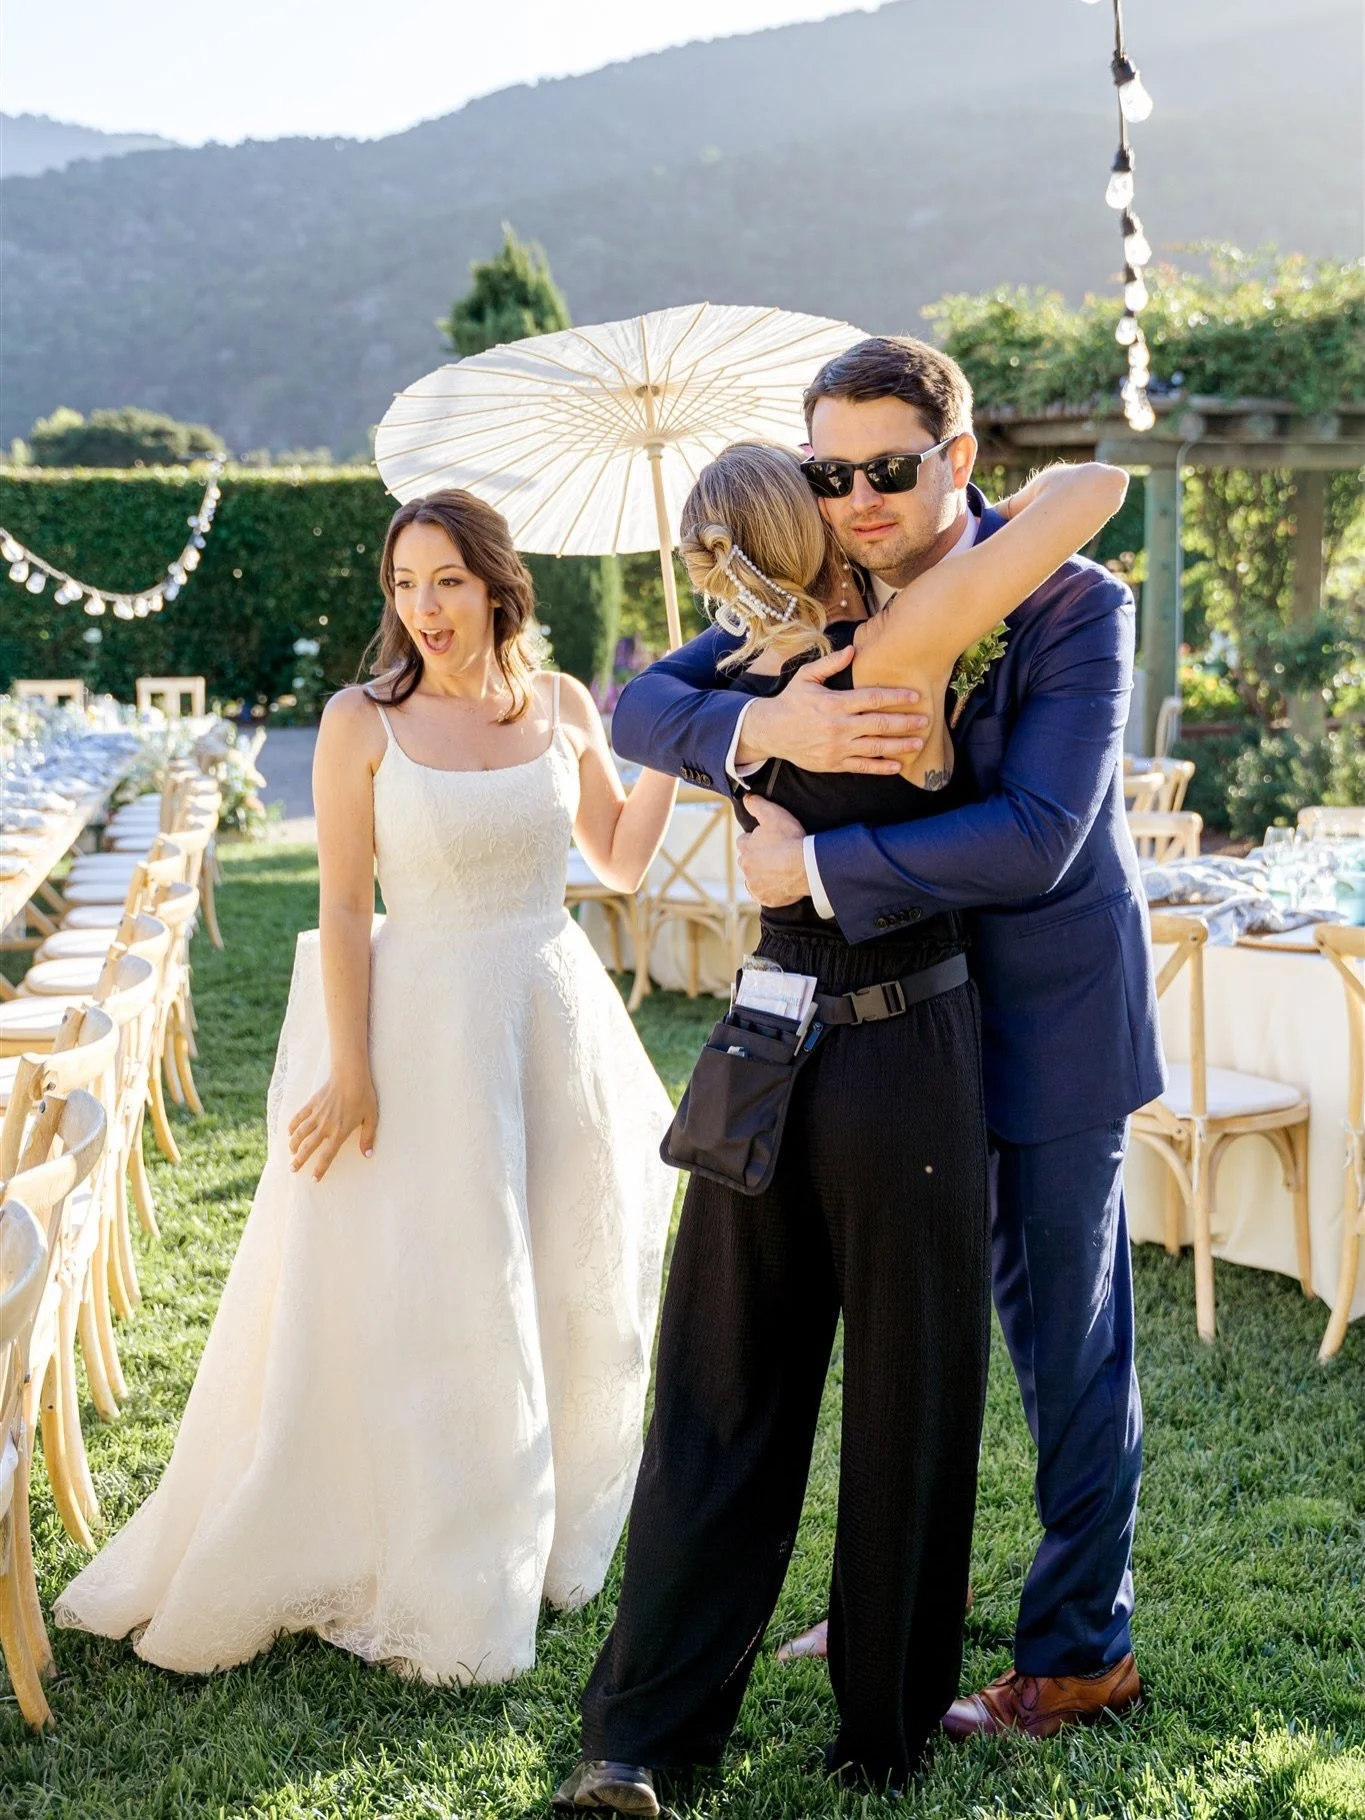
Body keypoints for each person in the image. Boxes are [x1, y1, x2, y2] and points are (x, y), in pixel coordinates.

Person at [600, 337, 1164, 1751]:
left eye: (887, 470)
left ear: (957, 461)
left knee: (1064, 1344)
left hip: (1040, 1022)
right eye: (828, 471)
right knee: (905, 1342)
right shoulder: (815, 601)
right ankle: (886, 1612)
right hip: (891, 1050)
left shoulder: (1071, 605)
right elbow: (639, 704)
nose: (856, 496)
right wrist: (759, 722)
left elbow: (1041, 835)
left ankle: (1080, 1651)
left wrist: (821, 878)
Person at [57, 489, 678, 1685]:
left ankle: (539, 1521)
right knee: (451, 1284)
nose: (423, 607)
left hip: (552, 1015)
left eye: (445, 580)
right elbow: (344, 905)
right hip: (428, 1022)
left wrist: (664, 740)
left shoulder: (560, 706)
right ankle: (442, 1550)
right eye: (404, 583)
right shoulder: (362, 721)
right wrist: (352, 1067)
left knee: (556, 1263)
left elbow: (623, 856)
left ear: (497, 582)